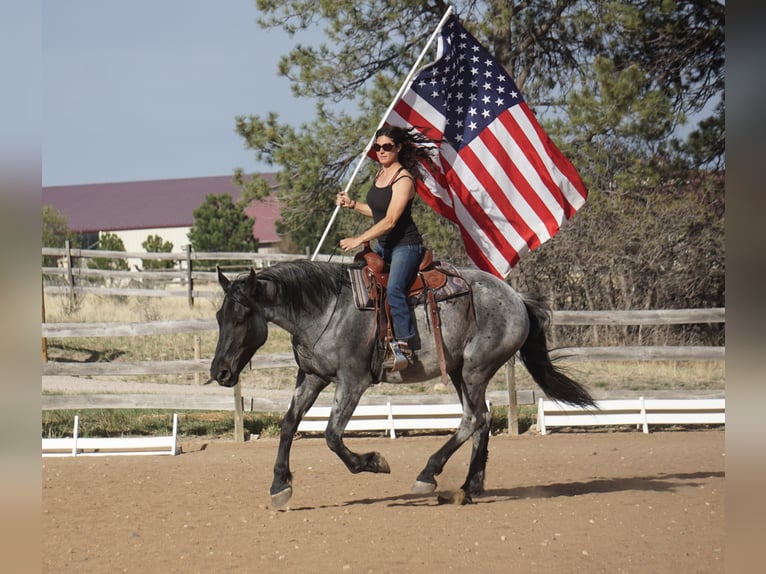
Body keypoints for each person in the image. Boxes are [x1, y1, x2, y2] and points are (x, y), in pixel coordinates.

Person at [336, 125, 439, 368]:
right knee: (357, 277)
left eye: (387, 147)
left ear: (398, 148)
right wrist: (352, 204)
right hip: (385, 245)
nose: (381, 151)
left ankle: (405, 345)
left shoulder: (404, 179)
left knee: (394, 288)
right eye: (377, 147)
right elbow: (378, 211)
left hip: (406, 246)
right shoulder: (379, 175)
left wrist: (359, 239)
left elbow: (391, 220)